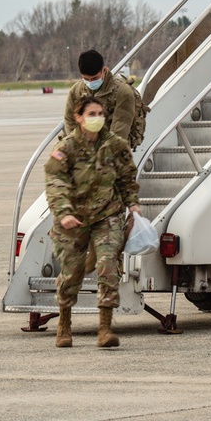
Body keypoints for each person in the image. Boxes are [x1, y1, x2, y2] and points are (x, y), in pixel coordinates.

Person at [45, 95, 141, 349]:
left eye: (100, 113)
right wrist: (64, 213)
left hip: (106, 216)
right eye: (92, 114)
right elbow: (55, 183)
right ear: (78, 117)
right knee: (71, 274)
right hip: (72, 220)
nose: (97, 118)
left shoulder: (115, 145)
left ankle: (105, 328)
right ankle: (64, 324)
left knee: (108, 266)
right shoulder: (65, 148)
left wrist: (133, 203)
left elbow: (127, 176)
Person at [63, 49, 137, 146]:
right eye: (86, 79)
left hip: (113, 148)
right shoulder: (76, 91)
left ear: (104, 71)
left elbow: (121, 127)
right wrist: (79, 146)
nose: (90, 82)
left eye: (94, 78)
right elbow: (69, 120)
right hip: (83, 148)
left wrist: (103, 153)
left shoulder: (123, 92)